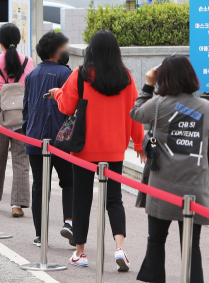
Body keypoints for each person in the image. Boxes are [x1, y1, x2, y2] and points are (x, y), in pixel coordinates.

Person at [49, 29, 144, 271]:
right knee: (114, 199)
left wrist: (57, 93)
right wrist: (139, 143)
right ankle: (119, 248)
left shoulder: (81, 76)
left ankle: (80, 253)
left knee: (82, 197)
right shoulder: (126, 77)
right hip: (114, 149)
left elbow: (68, 107)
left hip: (84, 148)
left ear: (91, 49)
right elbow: (135, 114)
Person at [130, 55, 209, 283]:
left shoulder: (159, 104)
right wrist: (206, 172)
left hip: (162, 186)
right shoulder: (207, 108)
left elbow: (136, 113)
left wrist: (148, 84)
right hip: (194, 188)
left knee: (156, 240)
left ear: (164, 78)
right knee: (191, 246)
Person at [23, 31, 74, 247]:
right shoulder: (66, 74)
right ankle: (69, 223)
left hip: (34, 138)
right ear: (57, 50)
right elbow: (72, 108)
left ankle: (39, 233)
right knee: (69, 181)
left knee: (39, 185)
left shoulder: (31, 75)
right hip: (61, 137)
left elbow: (26, 108)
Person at [0, 23, 33, 217]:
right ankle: (17, 205)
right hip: (21, 119)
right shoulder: (28, 62)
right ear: (19, 41)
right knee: (20, 160)